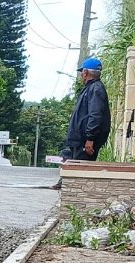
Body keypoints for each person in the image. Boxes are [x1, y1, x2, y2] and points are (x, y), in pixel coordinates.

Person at [51, 57, 111, 190]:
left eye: (81, 73)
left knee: (79, 170)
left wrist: (90, 138)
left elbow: (95, 115)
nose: (81, 76)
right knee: (70, 161)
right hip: (79, 140)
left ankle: (72, 192)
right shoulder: (91, 88)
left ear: (85, 72)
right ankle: (63, 184)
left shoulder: (95, 89)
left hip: (85, 141)